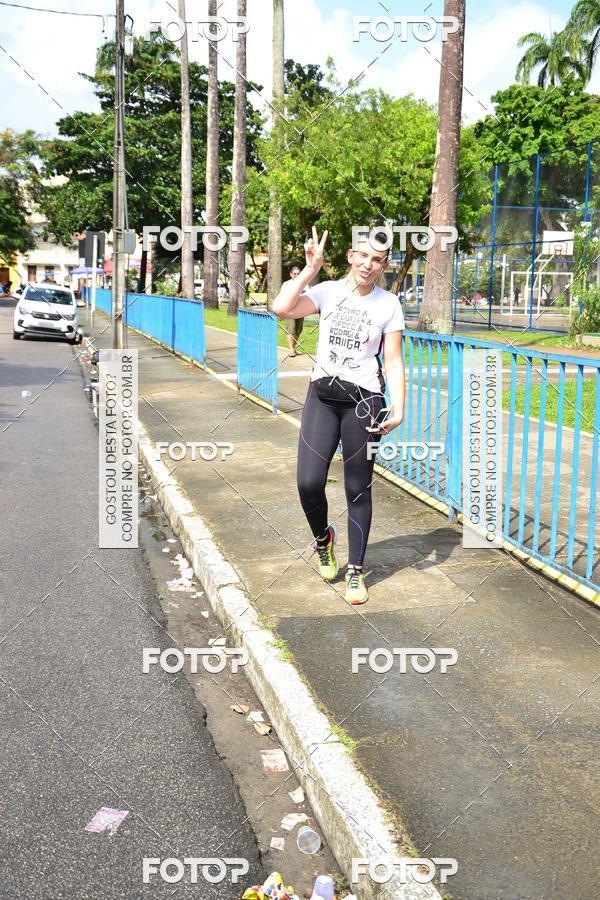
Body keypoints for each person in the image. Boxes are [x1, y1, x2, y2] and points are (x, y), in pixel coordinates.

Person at [272, 228, 406, 605]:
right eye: (363, 256)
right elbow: (282, 308)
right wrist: (309, 270)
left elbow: (393, 360)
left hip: (365, 402)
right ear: (350, 256)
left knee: (357, 488)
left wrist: (399, 406)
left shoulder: (388, 304)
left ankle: (355, 571)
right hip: (324, 397)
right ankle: (323, 540)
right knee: (308, 483)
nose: (369, 265)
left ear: (384, 265)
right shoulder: (327, 291)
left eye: (377, 260)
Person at [285, 264, 303, 356]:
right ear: (291, 274)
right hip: (290, 309)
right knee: (291, 329)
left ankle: (294, 348)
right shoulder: (286, 284)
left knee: (298, 330)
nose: (296, 275)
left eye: (298, 274)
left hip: (300, 309)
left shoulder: (303, 284)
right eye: (295, 274)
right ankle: (291, 349)